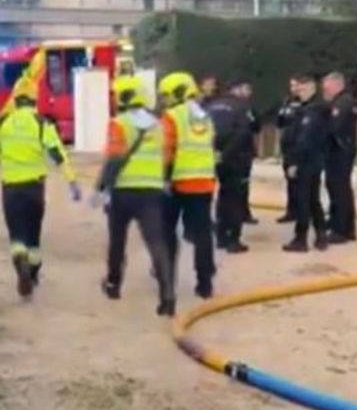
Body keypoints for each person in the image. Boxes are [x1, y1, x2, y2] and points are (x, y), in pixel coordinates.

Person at [0, 79, 82, 298]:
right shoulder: (41, 123)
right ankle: (34, 274)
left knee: (16, 233)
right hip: (34, 188)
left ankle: (20, 261)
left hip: (10, 187)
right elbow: (57, 153)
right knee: (34, 234)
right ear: (35, 101)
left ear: (15, 100)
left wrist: (2, 160)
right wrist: (72, 181)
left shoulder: (3, 121)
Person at [92, 76, 176, 317]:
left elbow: (115, 158)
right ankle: (167, 296)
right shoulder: (159, 125)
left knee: (117, 240)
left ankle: (114, 285)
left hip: (123, 191)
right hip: (151, 191)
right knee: (156, 243)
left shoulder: (118, 123)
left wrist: (101, 188)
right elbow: (167, 157)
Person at [159, 72, 217, 299]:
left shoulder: (172, 116)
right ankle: (205, 284)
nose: (163, 100)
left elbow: (166, 151)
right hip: (204, 183)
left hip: (177, 183)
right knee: (203, 235)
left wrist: (162, 178)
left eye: (165, 95)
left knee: (166, 234)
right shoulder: (204, 116)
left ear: (177, 92)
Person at [282, 74, 330, 253]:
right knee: (312, 200)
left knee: (304, 200)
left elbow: (305, 139)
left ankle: (300, 239)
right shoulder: (306, 108)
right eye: (298, 89)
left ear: (312, 88)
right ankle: (321, 235)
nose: (299, 92)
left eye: (302, 89)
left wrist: (294, 162)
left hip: (307, 161)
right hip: (313, 161)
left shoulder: (313, 110)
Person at [208, 79, 255, 254]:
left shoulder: (212, 106)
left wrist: (215, 153)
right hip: (236, 158)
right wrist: (226, 153)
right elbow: (243, 133)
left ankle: (220, 236)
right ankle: (233, 240)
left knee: (222, 196)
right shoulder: (241, 107)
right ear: (236, 89)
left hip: (214, 157)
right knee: (234, 198)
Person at [323, 72, 357, 245]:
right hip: (340, 149)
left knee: (339, 188)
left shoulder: (343, 103)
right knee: (339, 187)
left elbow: (333, 127)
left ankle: (341, 230)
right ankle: (344, 226)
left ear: (337, 85)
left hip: (340, 150)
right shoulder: (343, 101)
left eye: (327, 87)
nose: (325, 90)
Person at [275, 84, 304, 224]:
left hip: (299, 146)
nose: (294, 89)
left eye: (296, 85)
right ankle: (291, 211)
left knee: (301, 182)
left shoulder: (305, 105)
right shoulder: (287, 102)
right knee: (290, 181)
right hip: (287, 147)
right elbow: (279, 123)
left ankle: (303, 212)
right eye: (292, 86)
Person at [241, 83, 261, 225]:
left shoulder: (250, 108)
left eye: (249, 89)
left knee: (245, 183)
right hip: (235, 152)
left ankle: (244, 212)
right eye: (245, 89)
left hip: (246, 150)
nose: (248, 92)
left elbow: (257, 126)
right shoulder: (232, 107)